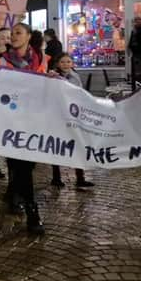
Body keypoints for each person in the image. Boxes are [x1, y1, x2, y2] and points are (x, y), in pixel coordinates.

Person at [0, 23, 47, 235]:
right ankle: (32, 212)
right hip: (11, 123)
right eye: (12, 33)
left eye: (18, 33)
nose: (13, 37)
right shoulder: (1, 59)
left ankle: (14, 194)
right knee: (21, 166)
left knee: (25, 166)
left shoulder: (41, 59)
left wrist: (53, 77)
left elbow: (52, 78)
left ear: (28, 36)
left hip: (33, 120)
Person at [50, 53, 95, 188]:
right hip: (58, 115)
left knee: (77, 145)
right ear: (58, 64)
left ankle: (80, 178)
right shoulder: (53, 76)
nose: (65, 64)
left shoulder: (75, 76)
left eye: (68, 62)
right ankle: (56, 177)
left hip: (73, 114)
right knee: (56, 146)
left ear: (72, 64)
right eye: (63, 62)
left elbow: (79, 93)